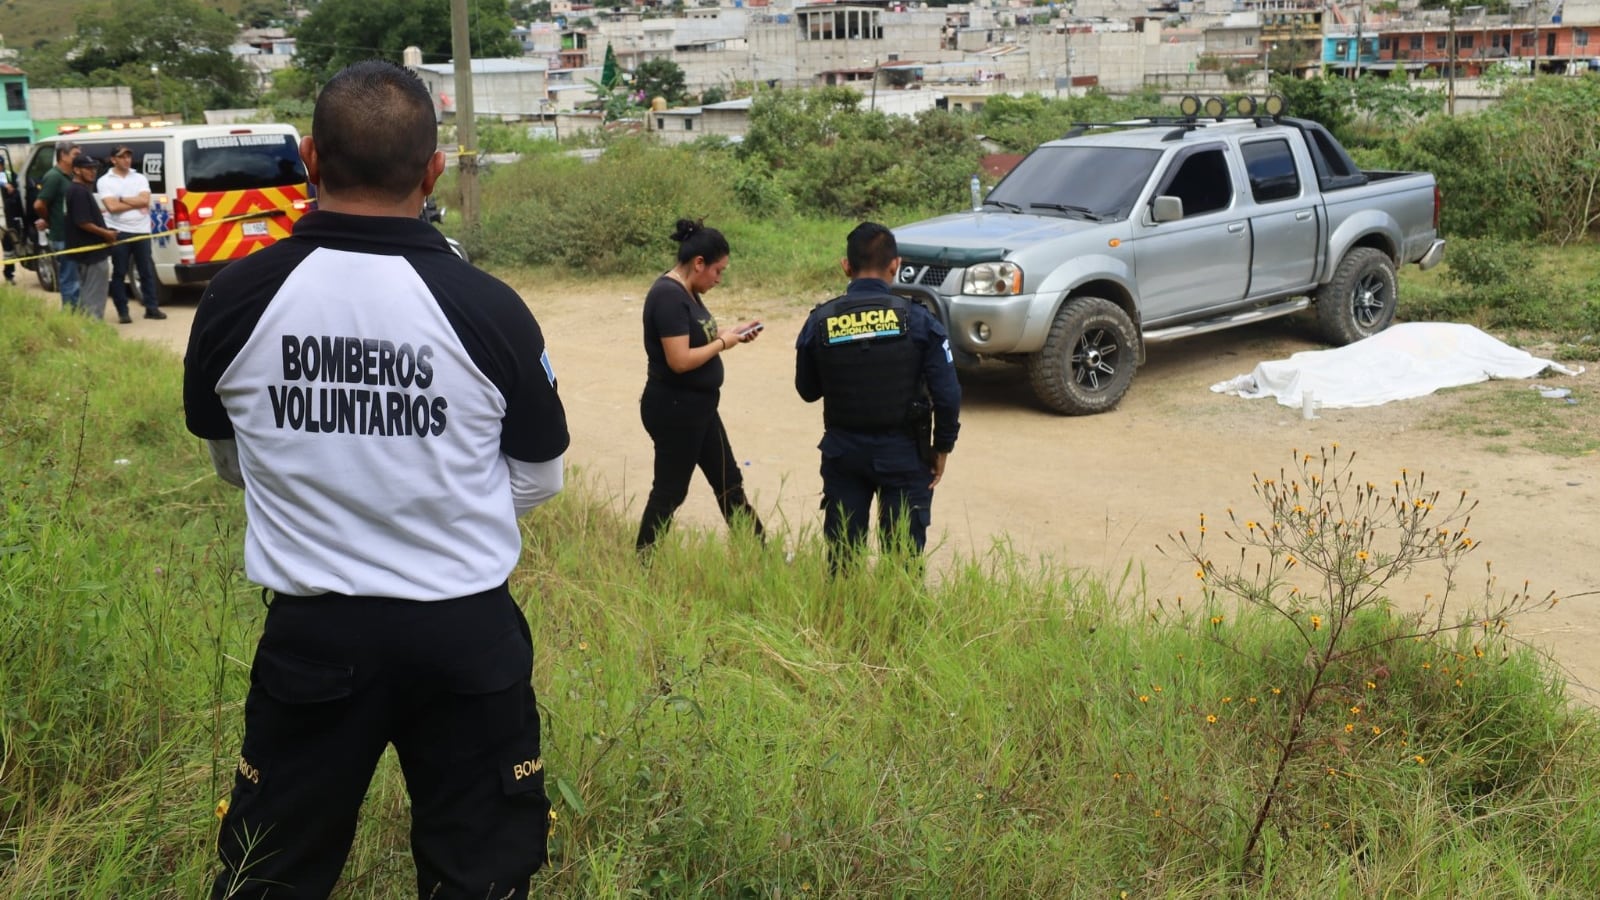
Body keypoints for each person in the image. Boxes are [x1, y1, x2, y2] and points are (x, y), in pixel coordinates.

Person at [183, 59, 569, 899]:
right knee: (482, 874)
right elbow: (540, 479)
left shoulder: (238, 298)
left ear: (311, 159)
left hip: (313, 638)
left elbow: (229, 464)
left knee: (269, 873)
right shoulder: (488, 306)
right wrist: (438, 511)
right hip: (467, 638)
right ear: (433, 171)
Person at [794, 221, 961, 572]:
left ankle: (839, 621)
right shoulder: (919, 320)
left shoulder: (819, 321)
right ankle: (898, 625)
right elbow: (947, 394)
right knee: (902, 559)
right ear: (895, 265)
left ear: (846, 266)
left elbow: (807, 391)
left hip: (844, 454)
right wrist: (941, 448)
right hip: (904, 454)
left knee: (843, 559)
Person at [634, 218, 765, 555]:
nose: (719, 279)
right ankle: (643, 561)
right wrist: (724, 344)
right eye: (718, 271)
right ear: (699, 263)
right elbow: (679, 360)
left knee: (729, 482)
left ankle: (759, 554)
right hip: (675, 408)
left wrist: (731, 333)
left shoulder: (688, 291)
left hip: (699, 408)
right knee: (670, 491)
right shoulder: (667, 296)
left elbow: (699, 337)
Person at [98, 144, 166, 323]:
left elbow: (145, 201)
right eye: (122, 157)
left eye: (128, 156)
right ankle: (123, 312)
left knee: (146, 271)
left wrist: (121, 198)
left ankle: (152, 308)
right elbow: (111, 207)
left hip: (141, 230)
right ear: (113, 159)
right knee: (120, 272)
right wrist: (133, 202)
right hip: (119, 232)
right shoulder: (105, 181)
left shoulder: (139, 177)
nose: (127, 160)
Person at [64, 154, 117, 320]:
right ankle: (93, 334)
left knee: (87, 298)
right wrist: (106, 234)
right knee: (93, 301)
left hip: (84, 254)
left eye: (94, 168)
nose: (92, 172)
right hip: (91, 255)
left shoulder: (76, 190)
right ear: (76, 170)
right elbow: (83, 222)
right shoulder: (78, 191)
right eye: (88, 168)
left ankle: (86, 331)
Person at [33, 141, 80, 309]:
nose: (78, 158)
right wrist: (50, 221)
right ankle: (70, 314)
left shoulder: (71, 176)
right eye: (75, 154)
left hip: (74, 234)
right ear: (63, 156)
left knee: (77, 277)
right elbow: (39, 204)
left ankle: (76, 311)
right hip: (62, 235)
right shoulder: (54, 177)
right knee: (69, 278)